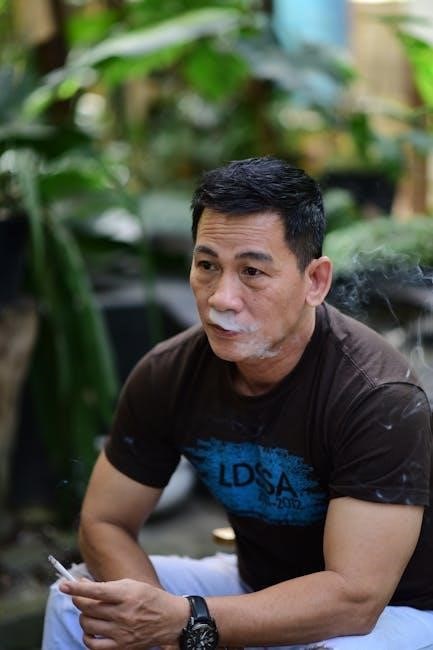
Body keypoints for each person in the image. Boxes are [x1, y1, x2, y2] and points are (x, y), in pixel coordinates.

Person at [42, 156, 433, 650]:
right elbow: (105, 521)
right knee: (77, 602)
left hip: (393, 613)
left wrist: (186, 621)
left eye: (252, 271)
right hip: (257, 584)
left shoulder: (377, 398)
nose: (221, 298)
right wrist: (150, 616)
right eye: (207, 266)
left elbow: (354, 600)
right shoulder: (169, 373)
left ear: (315, 281)